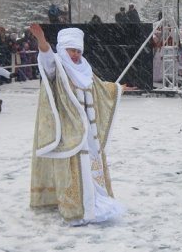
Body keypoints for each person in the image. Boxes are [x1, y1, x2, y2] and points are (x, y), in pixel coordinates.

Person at [29, 23, 124, 225]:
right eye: (71, 50)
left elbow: (99, 88)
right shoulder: (59, 67)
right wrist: (41, 41)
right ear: (63, 49)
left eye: (78, 50)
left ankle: (96, 200)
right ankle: (76, 209)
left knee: (92, 166)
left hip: (90, 133)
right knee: (75, 169)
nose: (75, 54)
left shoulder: (85, 69)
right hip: (71, 131)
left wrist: (118, 88)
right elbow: (47, 60)